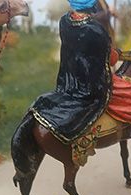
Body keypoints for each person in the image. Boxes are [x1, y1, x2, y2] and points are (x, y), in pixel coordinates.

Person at [30, 0, 113, 144]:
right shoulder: (96, 30)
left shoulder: (64, 21)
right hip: (90, 88)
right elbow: (107, 61)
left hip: (67, 83)